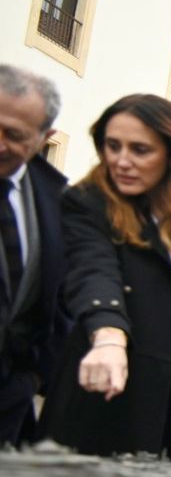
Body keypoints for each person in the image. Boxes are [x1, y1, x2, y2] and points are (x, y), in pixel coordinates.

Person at [40, 95, 171, 462]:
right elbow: (93, 271)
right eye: (112, 146)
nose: (121, 160)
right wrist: (108, 337)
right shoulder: (87, 202)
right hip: (111, 390)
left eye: (140, 150)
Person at [0, 65, 68, 447]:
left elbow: (59, 298)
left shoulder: (56, 201)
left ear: (44, 138)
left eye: (14, 135)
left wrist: (35, 377)